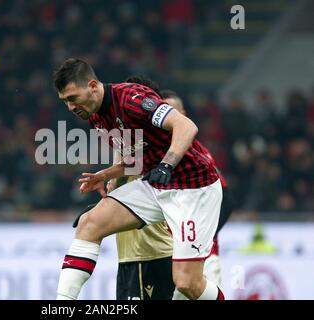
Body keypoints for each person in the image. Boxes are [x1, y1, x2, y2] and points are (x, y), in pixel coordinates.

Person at [54, 58, 224, 300]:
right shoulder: (95, 116)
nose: (70, 107)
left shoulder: (132, 99)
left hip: (193, 187)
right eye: (65, 102)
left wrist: (167, 165)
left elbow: (185, 126)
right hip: (156, 184)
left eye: (73, 98)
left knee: (188, 283)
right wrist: (107, 174)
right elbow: (140, 156)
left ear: (92, 85)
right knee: (89, 223)